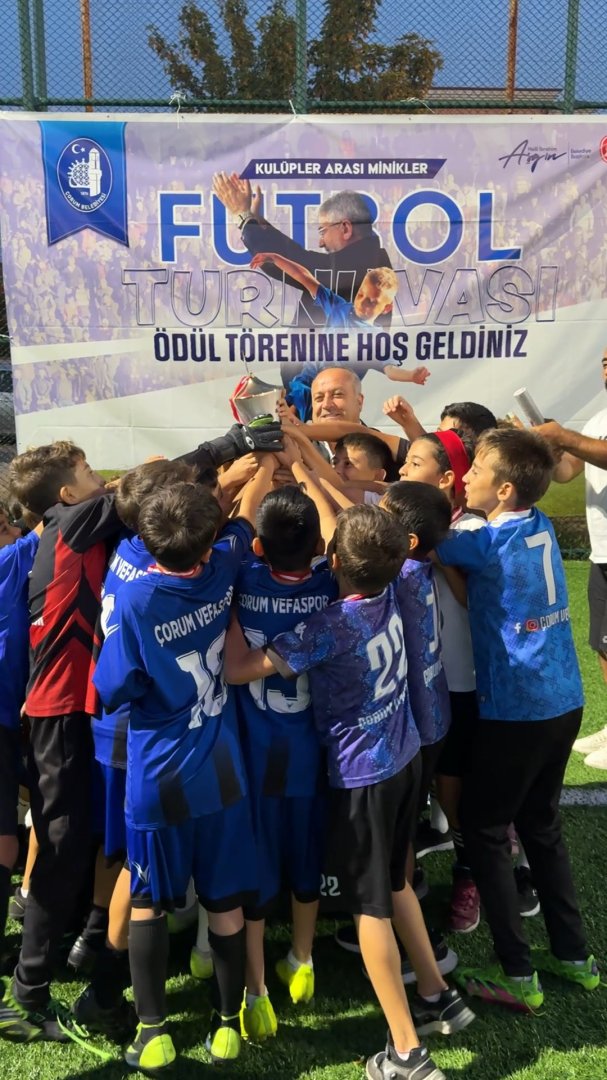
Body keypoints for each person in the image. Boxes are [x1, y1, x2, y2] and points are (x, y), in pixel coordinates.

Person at [225, 505, 474, 1080]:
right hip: (406, 758)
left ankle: (406, 1051)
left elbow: (238, 669)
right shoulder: (398, 586)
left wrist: (232, 608)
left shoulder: (331, 624)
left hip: (365, 777)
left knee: (370, 908)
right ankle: (436, 992)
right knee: (394, 880)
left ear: (332, 559)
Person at [93, 463, 276, 1073]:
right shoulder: (223, 566)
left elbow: (113, 687)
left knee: (147, 899)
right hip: (220, 762)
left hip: (161, 770)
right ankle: (226, 1027)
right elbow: (239, 524)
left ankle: (153, 1032)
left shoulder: (137, 596)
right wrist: (262, 466)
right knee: (224, 901)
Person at [436, 427, 598, 1010]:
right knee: (540, 823)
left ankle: (517, 973)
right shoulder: (540, 523)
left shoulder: (482, 542)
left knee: (484, 830)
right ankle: (575, 956)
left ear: (504, 489)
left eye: (475, 471)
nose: (465, 478)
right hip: (563, 698)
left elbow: (432, 540)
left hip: (516, 709)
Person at [2, 441, 120, 1043]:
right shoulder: (72, 525)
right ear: (68, 494)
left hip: (70, 714)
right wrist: (233, 446)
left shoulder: (69, 527)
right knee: (60, 849)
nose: (101, 479)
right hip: (59, 716)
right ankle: (25, 1000)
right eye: (89, 471)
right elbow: (143, 490)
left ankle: (57, 965)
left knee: (78, 842)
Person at [233, 478, 338, 1041]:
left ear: (258, 546)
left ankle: (255, 991)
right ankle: (303, 958)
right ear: (318, 546)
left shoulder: (243, 577)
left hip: (254, 752)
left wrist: (258, 471)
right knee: (306, 861)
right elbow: (340, 534)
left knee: (252, 871)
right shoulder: (330, 584)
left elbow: (242, 530)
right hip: (309, 752)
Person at [534, 350, 607, 768]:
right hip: (602, 550)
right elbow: (566, 472)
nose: (606, 369)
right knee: (603, 645)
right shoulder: (598, 419)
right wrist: (548, 445)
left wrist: (564, 436)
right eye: (604, 362)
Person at [211, 179, 393, 328]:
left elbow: (292, 261)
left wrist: (242, 215)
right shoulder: (376, 262)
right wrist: (257, 223)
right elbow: (296, 256)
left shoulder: (358, 269)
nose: (321, 242)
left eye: (323, 231)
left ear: (345, 228)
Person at [0, 506, 41, 974]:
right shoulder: (9, 561)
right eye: (6, 528)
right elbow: (54, 525)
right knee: (5, 842)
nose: (16, 532)